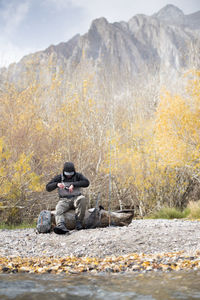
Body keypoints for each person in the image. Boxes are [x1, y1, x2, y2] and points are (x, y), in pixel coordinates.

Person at [46, 162, 90, 234]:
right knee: (59, 208)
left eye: (71, 174)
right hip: (64, 200)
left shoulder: (78, 176)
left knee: (82, 198)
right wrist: (56, 184)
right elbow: (48, 187)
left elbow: (86, 183)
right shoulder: (59, 177)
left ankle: (79, 222)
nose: (69, 176)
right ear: (64, 172)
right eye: (67, 174)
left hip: (76, 198)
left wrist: (74, 184)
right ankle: (61, 225)